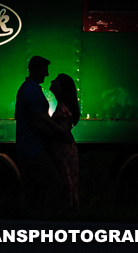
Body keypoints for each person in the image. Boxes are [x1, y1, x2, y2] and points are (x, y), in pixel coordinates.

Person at [13, 55, 63, 205]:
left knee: (30, 191)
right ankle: (50, 221)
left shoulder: (26, 88)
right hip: (34, 149)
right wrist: (57, 134)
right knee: (56, 186)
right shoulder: (33, 91)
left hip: (26, 148)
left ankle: (27, 221)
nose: (47, 74)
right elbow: (38, 119)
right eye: (44, 70)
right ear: (36, 70)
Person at [47, 73, 81, 210]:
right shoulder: (63, 106)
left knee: (66, 179)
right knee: (68, 179)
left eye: (56, 80)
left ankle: (68, 210)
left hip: (63, 151)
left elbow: (63, 130)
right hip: (65, 150)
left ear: (61, 87)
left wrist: (45, 120)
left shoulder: (62, 108)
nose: (52, 81)